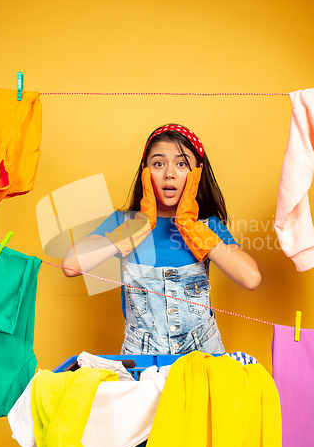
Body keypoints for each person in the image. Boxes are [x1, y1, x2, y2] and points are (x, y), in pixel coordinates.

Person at [62, 124, 261, 355]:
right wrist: (135, 229)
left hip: (203, 354)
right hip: (141, 359)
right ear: (145, 172)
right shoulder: (122, 223)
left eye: (182, 164)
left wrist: (190, 227)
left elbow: (251, 278)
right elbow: (71, 265)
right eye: (158, 164)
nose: (169, 173)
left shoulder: (208, 227)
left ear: (197, 173)